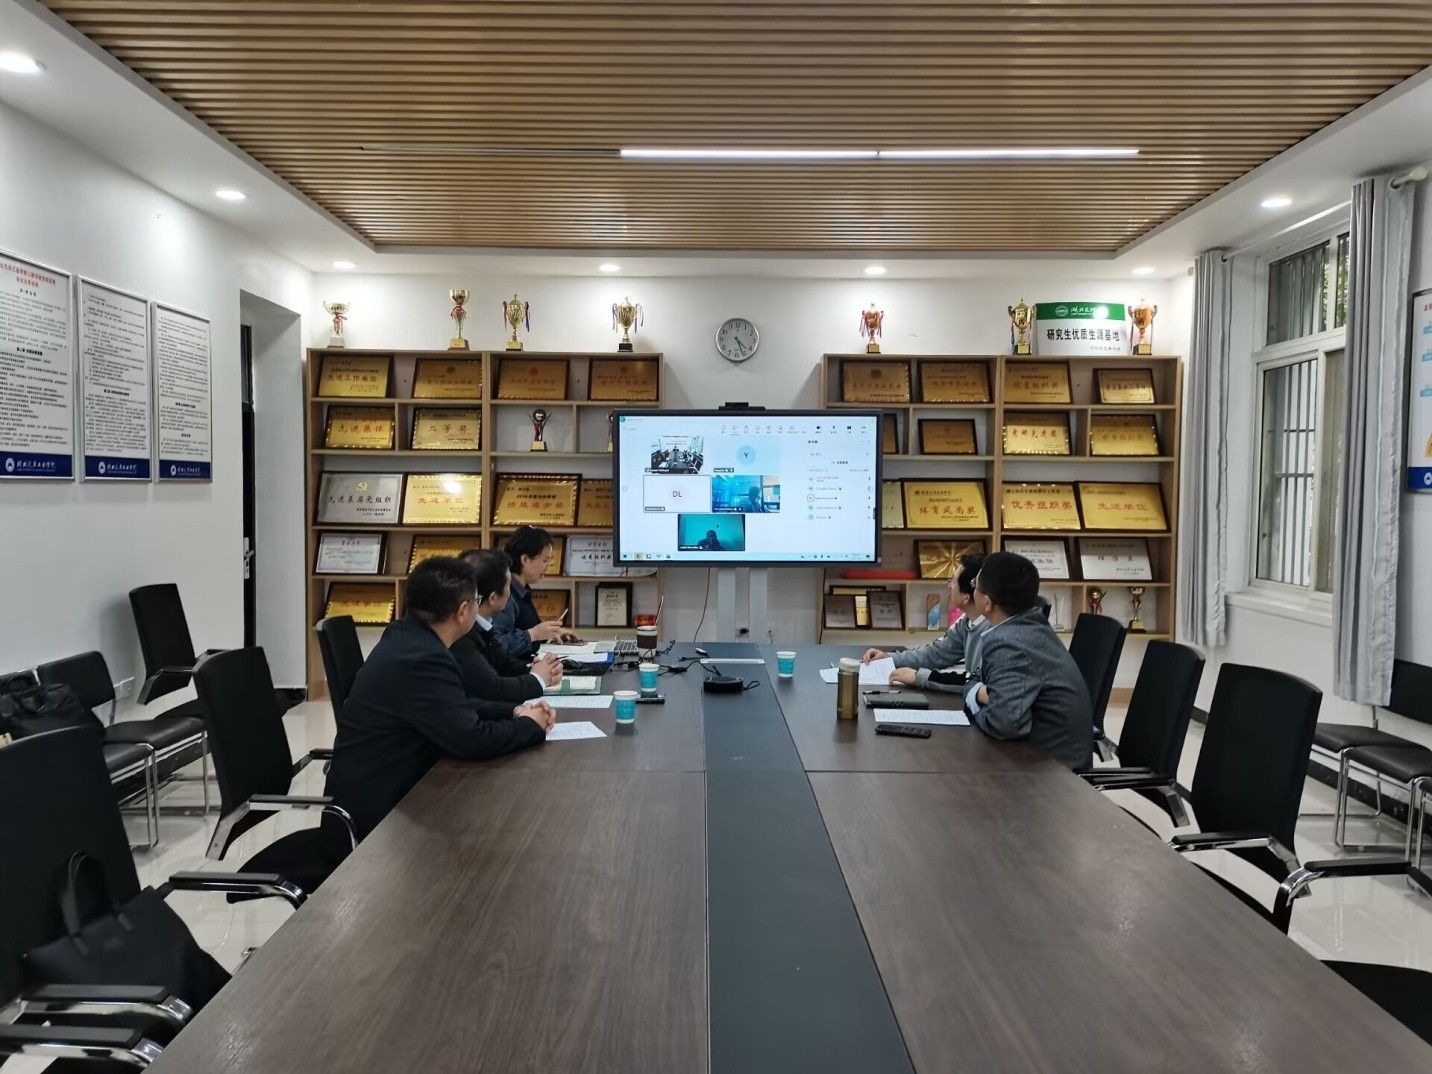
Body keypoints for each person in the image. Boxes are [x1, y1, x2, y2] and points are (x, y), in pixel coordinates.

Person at [325, 556, 557, 839]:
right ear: (463, 611)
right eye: (476, 601)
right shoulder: (425, 658)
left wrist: (514, 711)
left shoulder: (406, 635)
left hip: (393, 792)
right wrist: (530, 726)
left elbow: (453, 705)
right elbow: (471, 739)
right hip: (379, 821)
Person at [958, 551, 1093, 771]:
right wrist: (980, 691)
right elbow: (979, 677)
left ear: (987, 603)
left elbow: (1002, 724)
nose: (973, 590)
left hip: (1052, 773)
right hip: (1040, 757)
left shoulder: (1009, 644)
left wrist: (973, 698)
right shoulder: (1030, 625)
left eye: (975, 585)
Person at [453, 548, 563, 703]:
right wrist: (537, 679)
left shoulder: (482, 625)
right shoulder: (462, 635)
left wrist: (535, 668)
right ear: (493, 598)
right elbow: (492, 689)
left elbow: (502, 663)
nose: (511, 593)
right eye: (508, 586)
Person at [863, 553, 986, 691]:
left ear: (966, 596)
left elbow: (976, 684)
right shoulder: (966, 622)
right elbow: (935, 655)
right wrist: (888, 658)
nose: (949, 585)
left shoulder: (993, 632)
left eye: (953, 581)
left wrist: (919, 677)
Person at [490, 525, 577, 658]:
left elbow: (527, 630)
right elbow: (497, 644)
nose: (548, 565)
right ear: (524, 559)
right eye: (545, 560)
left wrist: (550, 634)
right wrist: (534, 634)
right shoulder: (506, 594)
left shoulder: (522, 590)